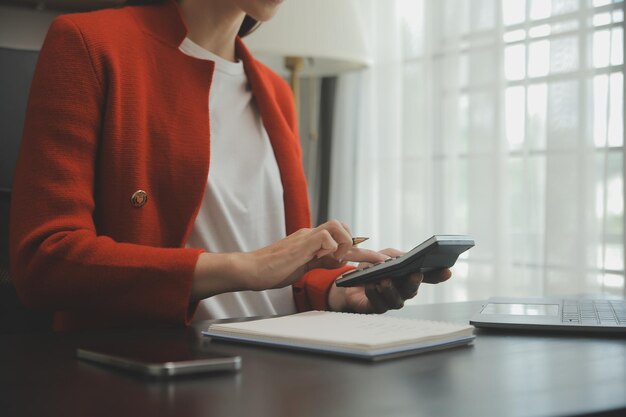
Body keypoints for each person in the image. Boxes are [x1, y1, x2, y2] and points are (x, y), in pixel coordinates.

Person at [9, 0, 452, 332]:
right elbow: (45, 262)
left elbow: (289, 281)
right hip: (158, 382)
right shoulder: (89, 44)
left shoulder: (276, 93)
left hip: (285, 372)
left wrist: (338, 291)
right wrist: (246, 267)